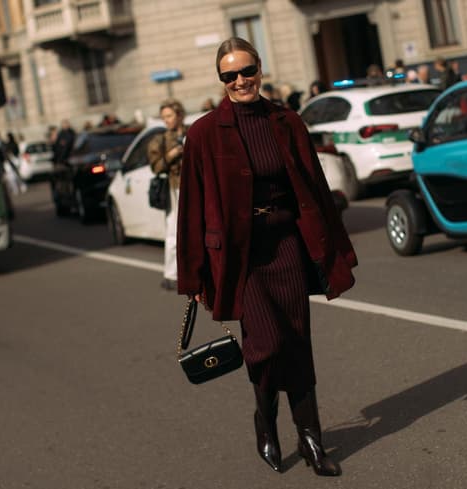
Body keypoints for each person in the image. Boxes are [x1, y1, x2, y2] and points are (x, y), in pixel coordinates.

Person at [177, 37, 357, 477]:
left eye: (247, 71)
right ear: (221, 81)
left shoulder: (286, 121)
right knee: (267, 343)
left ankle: (312, 439)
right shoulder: (203, 133)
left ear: (260, 69)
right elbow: (192, 209)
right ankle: (266, 421)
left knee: (296, 340)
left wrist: (333, 248)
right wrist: (195, 277)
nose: (240, 81)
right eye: (230, 75)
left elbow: (313, 186)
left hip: (286, 247)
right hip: (242, 258)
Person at [148, 99, 188, 291]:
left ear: (179, 114)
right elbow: (155, 167)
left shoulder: (192, 132)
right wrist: (171, 156)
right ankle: (171, 274)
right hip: (174, 188)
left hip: (195, 185)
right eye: (164, 117)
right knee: (173, 232)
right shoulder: (160, 140)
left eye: (170, 116)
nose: (167, 120)